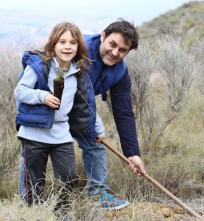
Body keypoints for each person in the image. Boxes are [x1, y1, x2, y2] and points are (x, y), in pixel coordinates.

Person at [19, 19, 146, 210]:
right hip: (47, 107)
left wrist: (132, 153)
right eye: (112, 44)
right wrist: (36, 105)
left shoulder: (119, 72)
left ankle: (97, 193)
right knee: (32, 152)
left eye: (122, 50)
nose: (115, 53)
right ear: (103, 36)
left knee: (95, 143)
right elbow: (35, 72)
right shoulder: (77, 48)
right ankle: (27, 204)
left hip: (81, 107)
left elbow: (124, 113)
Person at [14, 22, 105, 216]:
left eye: (72, 42)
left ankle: (61, 213)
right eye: (62, 41)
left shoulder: (77, 72)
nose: (67, 46)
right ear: (53, 44)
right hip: (34, 133)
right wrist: (42, 96)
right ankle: (32, 215)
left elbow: (85, 104)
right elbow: (20, 91)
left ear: (78, 46)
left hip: (61, 134)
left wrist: (97, 128)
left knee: (70, 177)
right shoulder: (39, 65)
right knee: (34, 184)